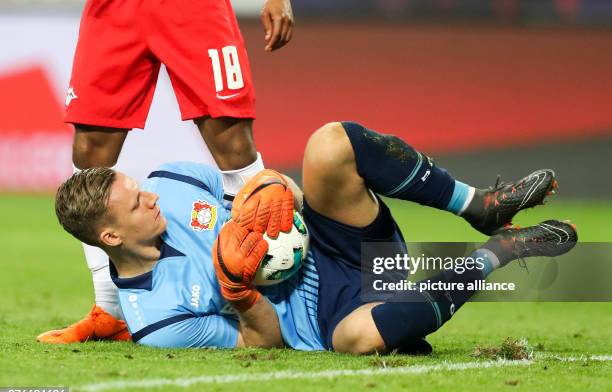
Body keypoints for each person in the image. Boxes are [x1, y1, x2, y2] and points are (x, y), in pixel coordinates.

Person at [52, 122, 577, 353]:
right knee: (361, 342)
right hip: (327, 316)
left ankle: (478, 206)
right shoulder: (158, 322)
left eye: (138, 186)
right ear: (111, 234)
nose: (149, 196)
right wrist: (239, 291)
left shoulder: (171, 180)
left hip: (336, 239)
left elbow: (273, 193)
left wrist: (274, 185)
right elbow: (263, 342)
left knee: (329, 143)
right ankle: (502, 251)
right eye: (135, 202)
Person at [37, 0, 295, 343]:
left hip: (193, 8)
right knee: (90, 148)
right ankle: (110, 310)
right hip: (115, 8)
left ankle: (271, 283)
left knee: (231, 139)